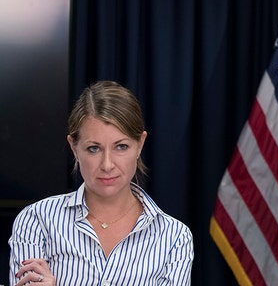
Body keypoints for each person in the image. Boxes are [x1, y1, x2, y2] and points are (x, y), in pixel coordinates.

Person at [8, 81, 194, 285]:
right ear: (74, 148)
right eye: (94, 149)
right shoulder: (37, 221)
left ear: (140, 144)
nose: (107, 165)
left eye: (121, 146)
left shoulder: (175, 237)